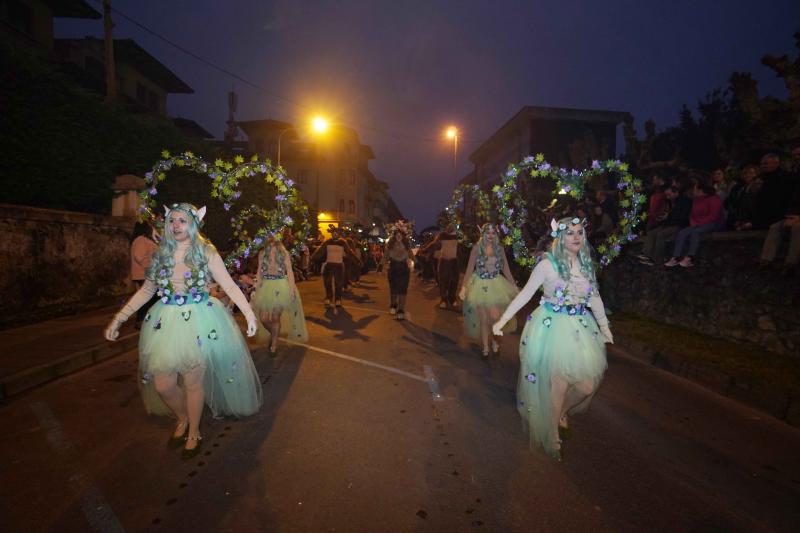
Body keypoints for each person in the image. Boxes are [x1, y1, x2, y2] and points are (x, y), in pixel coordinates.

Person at [104, 203, 262, 459]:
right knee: (164, 384)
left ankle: (194, 431)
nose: (176, 225)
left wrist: (249, 312)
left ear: (194, 223)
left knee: (192, 381)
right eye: (172, 220)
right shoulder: (161, 254)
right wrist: (118, 319)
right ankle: (183, 417)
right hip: (166, 320)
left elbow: (229, 286)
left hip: (200, 319)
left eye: (182, 220)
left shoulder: (205, 252)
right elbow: (147, 290)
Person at [492, 217, 612, 461]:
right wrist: (502, 319)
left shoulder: (586, 265)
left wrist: (604, 326)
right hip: (551, 327)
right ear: (560, 237)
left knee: (586, 387)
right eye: (570, 233)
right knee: (558, 385)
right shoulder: (547, 265)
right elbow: (525, 294)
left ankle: (559, 414)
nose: (576, 237)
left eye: (580, 232)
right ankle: (552, 434)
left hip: (580, 328)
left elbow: (595, 298)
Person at [459, 224, 518, 358]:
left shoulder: (500, 249)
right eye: (488, 233)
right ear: (483, 234)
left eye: (493, 233)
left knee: (495, 317)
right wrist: (464, 287)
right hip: (479, 285)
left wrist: (513, 285)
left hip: (496, 285)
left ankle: (495, 341)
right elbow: (469, 269)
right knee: (483, 318)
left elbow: (506, 269)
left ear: (496, 235)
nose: (490, 236)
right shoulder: (476, 248)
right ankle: (485, 347)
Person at [251, 235, 308, 354]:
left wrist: (291, 289)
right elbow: (259, 270)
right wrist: (256, 287)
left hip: (281, 286)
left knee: (276, 317)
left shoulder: (283, 252)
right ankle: (274, 334)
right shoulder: (262, 253)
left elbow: (290, 271)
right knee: (263, 318)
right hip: (266, 285)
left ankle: (274, 346)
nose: (271, 238)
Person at [664, 181, 725, 268]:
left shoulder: (714, 198)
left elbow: (713, 216)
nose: (693, 191)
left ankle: (690, 257)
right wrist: (693, 223)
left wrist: (699, 223)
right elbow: (692, 214)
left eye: (695, 189)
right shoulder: (696, 200)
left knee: (696, 232)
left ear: (701, 190)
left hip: (714, 223)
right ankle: (676, 257)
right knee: (682, 233)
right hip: (698, 223)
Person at [637, 185, 692, 265]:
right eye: (667, 195)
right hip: (668, 224)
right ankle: (646, 255)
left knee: (661, 234)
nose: (668, 197)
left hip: (679, 225)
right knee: (651, 233)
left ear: (676, 193)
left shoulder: (684, 202)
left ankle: (658, 257)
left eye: (669, 195)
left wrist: (668, 216)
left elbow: (682, 216)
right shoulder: (671, 202)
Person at [311, 227, 359, 307]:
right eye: (333, 233)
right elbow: (320, 251)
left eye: (336, 233)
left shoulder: (343, 242)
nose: (334, 234)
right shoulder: (327, 242)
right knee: (327, 282)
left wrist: (357, 260)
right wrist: (312, 258)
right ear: (331, 234)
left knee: (338, 284)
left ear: (338, 234)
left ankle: (338, 299)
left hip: (339, 265)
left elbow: (349, 252)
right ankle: (328, 298)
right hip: (329, 265)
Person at [422, 224, 459, 308]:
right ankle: (444, 299)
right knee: (442, 281)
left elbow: (465, 245)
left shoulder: (458, 236)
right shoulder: (442, 236)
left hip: (454, 261)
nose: (450, 228)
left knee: (454, 281)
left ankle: (452, 298)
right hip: (444, 261)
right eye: (448, 227)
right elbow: (434, 245)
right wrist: (425, 250)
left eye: (452, 227)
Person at [130, 220, 159, 328]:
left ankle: (145, 320)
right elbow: (139, 256)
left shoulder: (144, 239)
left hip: (146, 274)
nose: (152, 227)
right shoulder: (140, 240)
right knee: (150, 298)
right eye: (150, 226)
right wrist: (152, 266)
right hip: (144, 275)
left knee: (151, 298)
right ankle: (141, 320)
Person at [384, 222, 413, 319]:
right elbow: (385, 256)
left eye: (401, 234)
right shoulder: (390, 244)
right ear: (394, 235)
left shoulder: (407, 244)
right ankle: (393, 304)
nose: (399, 236)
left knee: (403, 289)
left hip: (404, 269)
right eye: (397, 234)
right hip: (393, 268)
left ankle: (401, 309)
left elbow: (411, 255)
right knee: (393, 288)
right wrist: (380, 265)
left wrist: (418, 263)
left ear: (403, 235)